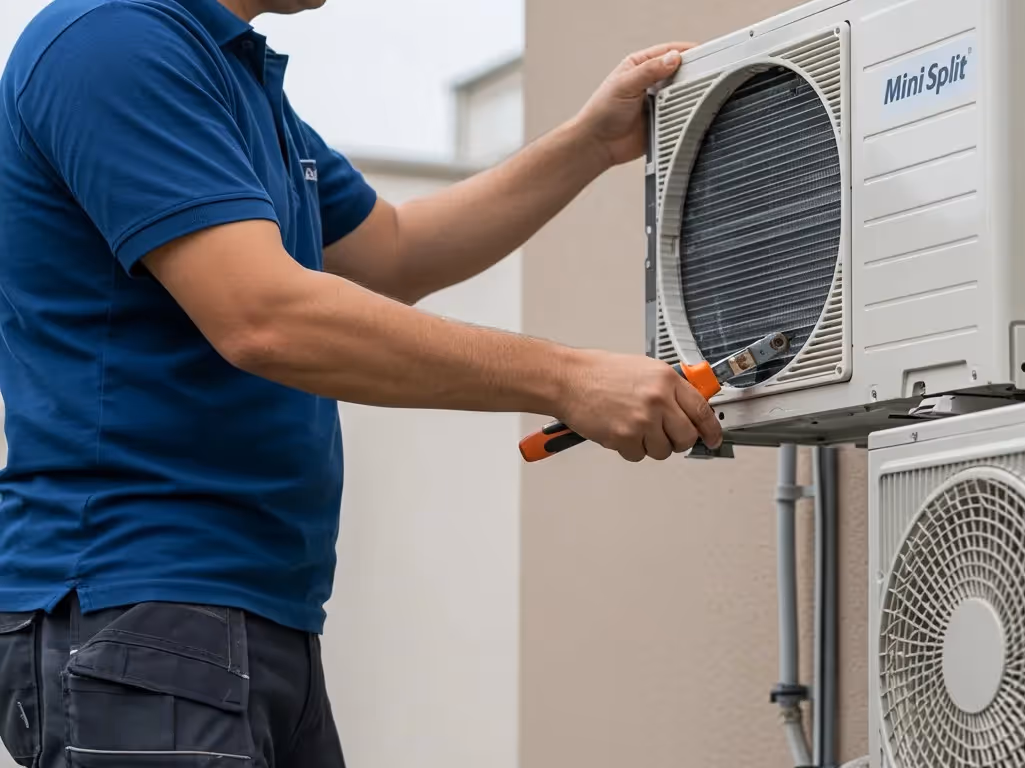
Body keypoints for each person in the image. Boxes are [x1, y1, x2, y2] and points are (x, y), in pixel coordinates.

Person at [0, 0, 711, 764]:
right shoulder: (113, 40)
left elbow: (394, 253)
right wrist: (569, 378)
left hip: (246, 617)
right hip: (143, 606)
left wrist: (590, 144)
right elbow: (261, 315)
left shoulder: (227, 71)